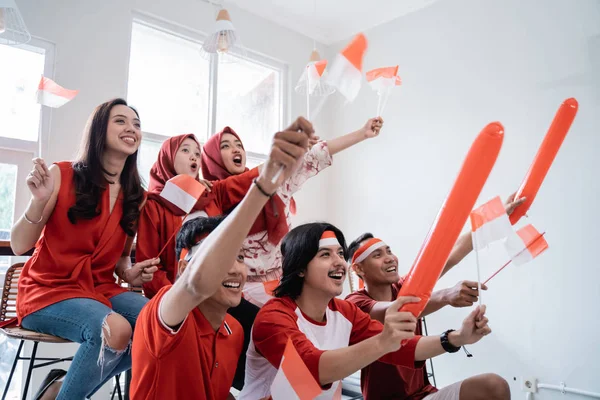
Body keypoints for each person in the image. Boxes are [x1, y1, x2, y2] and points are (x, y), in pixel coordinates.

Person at [129, 117, 313, 400]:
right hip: (175, 295)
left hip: (215, 307)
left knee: (278, 339)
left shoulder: (233, 331)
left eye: (238, 256)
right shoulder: (163, 315)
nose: (232, 266)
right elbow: (193, 283)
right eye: (184, 151)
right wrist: (263, 186)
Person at [239, 223, 498, 400]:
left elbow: (404, 347)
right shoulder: (274, 317)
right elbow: (311, 370)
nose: (339, 260)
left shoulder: (343, 311)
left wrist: (457, 338)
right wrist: (384, 341)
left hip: (422, 391)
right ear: (300, 267)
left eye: (340, 253)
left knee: (494, 386)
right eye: (325, 254)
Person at [10, 98, 159, 400]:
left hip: (99, 289)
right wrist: (38, 201)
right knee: (114, 330)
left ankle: (60, 390)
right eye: (120, 120)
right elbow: (18, 245)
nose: (131, 128)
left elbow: (120, 260)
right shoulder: (62, 174)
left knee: (157, 325)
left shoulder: (137, 196)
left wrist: (131, 273)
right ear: (98, 129)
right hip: (48, 290)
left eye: (136, 124)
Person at [343, 195, 523, 399]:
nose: (389, 258)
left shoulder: (406, 287)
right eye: (377, 255)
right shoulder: (355, 303)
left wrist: (494, 220)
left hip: (423, 395)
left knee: (494, 386)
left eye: (389, 251)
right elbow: (397, 311)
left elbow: (452, 253)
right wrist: (446, 295)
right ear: (359, 269)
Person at [137, 133, 260, 299]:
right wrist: (178, 298)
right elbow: (150, 268)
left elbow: (247, 181)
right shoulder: (153, 205)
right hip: (174, 297)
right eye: (185, 150)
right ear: (167, 158)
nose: (193, 157)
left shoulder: (210, 192)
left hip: (217, 294)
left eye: (197, 153)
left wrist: (282, 159)